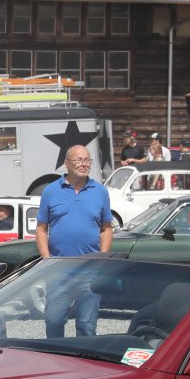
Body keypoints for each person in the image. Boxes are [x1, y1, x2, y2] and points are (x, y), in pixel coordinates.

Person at [35, 145, 114, 339]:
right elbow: (41, 229)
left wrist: (102, 258)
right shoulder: (51, 191)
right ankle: (54, 356)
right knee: (54, 321)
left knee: (87, 325)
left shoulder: (100, 192)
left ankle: (84, 357)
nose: (84, 164)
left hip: (90, 270)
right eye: (79, 160)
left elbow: (106, 228)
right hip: (58, 269)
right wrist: (47, 260)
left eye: (87, 160)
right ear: (67, 163)